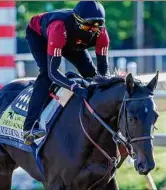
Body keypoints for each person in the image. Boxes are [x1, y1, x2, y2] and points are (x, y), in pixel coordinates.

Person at [23, 1, 110, 145]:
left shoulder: (101, 33)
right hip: (41, 35)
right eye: (86, 25)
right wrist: (74, 87)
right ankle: (29, 127)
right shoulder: (59, 27)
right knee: (46, 75)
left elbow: (103, 72)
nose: (90, 30)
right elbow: (53, 72)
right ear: (77, 21)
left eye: (95, 27)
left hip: (71, 40)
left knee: (92, 74)